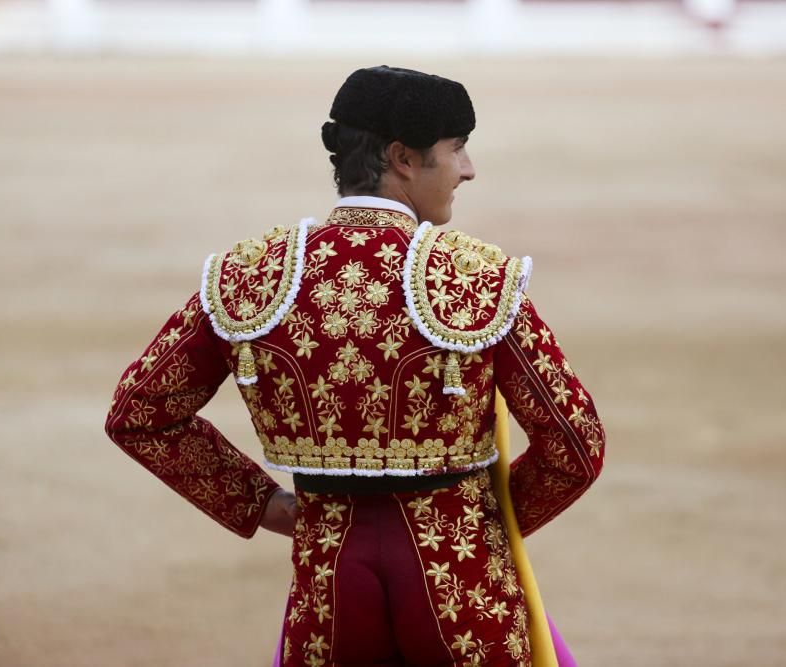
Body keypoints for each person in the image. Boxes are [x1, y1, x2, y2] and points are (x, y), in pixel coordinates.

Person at [105, 65, 605, 667]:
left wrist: (262, 504)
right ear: (402, 157)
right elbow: (576, 444)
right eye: (457, 148)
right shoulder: (473, 280)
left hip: (329, 582)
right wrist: (481, 524)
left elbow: (138, 414)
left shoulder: (253, 276)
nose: (468, 169)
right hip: (460, 584)